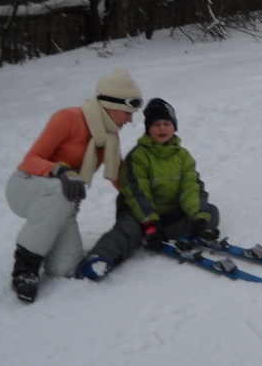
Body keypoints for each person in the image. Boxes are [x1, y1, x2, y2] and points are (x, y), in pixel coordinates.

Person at [5, 68, 142, 303]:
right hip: (27, 187)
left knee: (65, 267)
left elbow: (121, 178)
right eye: (128, 113)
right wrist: (60, 170)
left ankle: (43, 238)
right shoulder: (67, 118)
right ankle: (25, 270)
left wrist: (149, 204)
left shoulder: (110, 138)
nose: (130, 120)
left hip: (62, 202)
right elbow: (30, 160)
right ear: (113, 106)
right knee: (59, 188)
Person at [76, 98, 219, 281]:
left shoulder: (183, 156)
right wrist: (150, 223)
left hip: (169, 212)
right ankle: (101, 258)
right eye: (156, 124)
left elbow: (191, 187)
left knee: (210, 212)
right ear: (148, 128)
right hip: (139, 211)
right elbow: (138, 192)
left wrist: (199, 218)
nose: (162, 129)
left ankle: (161, 233)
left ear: (174, 127)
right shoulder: (139, 156)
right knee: (127, 230)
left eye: (166, 124)